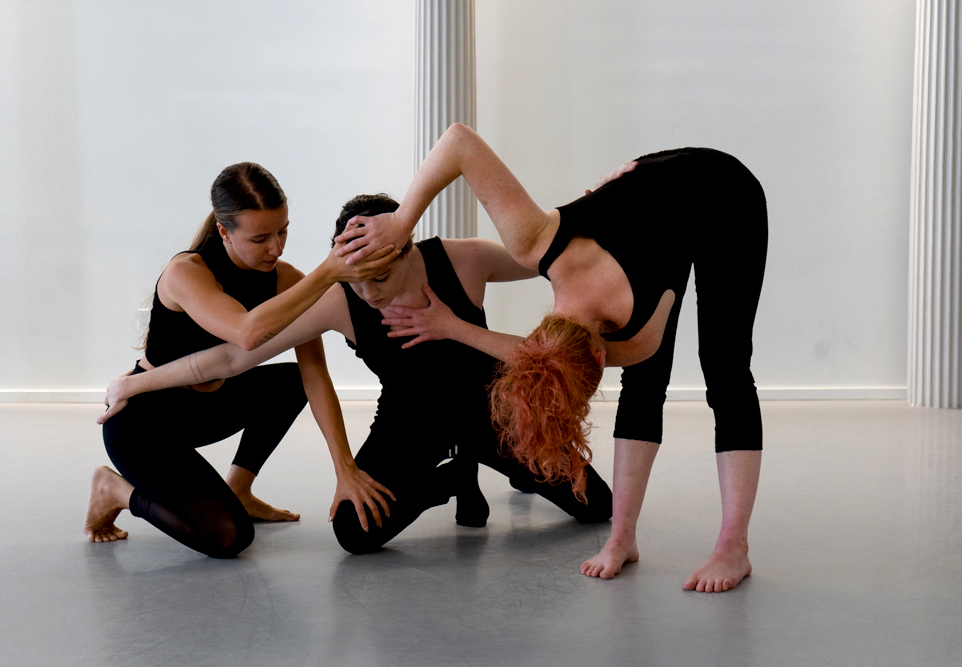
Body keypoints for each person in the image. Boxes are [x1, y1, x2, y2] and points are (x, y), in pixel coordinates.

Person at [335, 124, 767, 592]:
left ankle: (733, 548)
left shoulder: (636, 337)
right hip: (655, 198)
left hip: (727, 196)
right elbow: (458, 141)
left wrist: (402, 222)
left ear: (600, 359)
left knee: (724, 369)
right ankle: (622, 537)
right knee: (645, 384)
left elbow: (459, 141)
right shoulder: (534, 239)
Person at [99, 193, 613, 554]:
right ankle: (454, 478)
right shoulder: (338, 300)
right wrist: (136, 383)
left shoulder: (463, 259)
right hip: (408, 423)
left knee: (596, 507)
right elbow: (233, 356)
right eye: (358, 279)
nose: (370, 293)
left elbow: (547, 254)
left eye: (381, 276)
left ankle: (485, 458)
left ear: (406, 247)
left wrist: (593, 207)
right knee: (354, 532)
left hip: (490, 412)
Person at [84, 163, 399, 558]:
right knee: (228, 538)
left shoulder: (284, 279)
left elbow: (315, 374)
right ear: (223, 231)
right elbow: (245, 332)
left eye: (283, 230)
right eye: (260, 238)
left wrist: (345, 469)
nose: (276, 248)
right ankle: (115, 490)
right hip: (146, 421)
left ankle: (240, 487)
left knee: (291, 381)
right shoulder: (187, 272)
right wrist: (327, 274)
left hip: (212, 406)